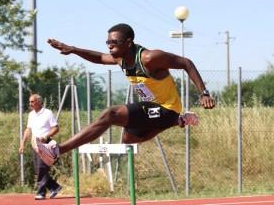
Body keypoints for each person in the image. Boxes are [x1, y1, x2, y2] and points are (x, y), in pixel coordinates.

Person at [36, 23, 215, 166]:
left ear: (128, 43)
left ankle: (57, 150)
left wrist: (203, 93)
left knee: (111, 114)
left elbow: (186, 63)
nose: (110, 46)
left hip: (166, 108)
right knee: (128, 140)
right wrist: (73, 49)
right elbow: (99, 58)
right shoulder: (120, 58)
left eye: (114, 43)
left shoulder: (149, 58)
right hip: (152, 109)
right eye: (108, 43)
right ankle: (179, 121)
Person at [19, 94, 62, 200]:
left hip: (46, 144)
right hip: (35, 145)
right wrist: (22, 143)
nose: (30, 104)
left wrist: (46, 136)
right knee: (39, 170)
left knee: (41, 168)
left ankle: (41, 193)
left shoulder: (48, 113)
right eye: (29, 102)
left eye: (32, 102)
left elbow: (56, 128)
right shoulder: (31, 115)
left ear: (39, 101)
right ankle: (55, 187)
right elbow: (28, 130)